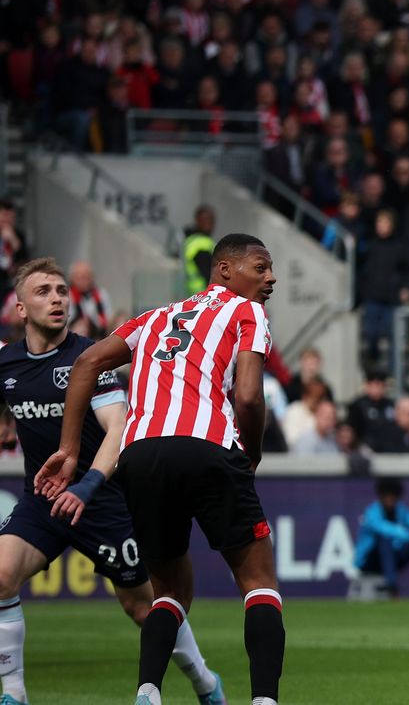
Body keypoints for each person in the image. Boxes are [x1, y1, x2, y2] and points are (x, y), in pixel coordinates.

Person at [37, 234, 284, 705]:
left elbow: (86, 362)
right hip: (210, 446)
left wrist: (70, 448)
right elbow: (249, 396)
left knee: (168, 589)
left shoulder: (153, 317)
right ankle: (264, 700)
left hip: (142, 455)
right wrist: (250, 454)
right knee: (257, 582)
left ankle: (148, 692)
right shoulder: (246, 312)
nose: (270, 277)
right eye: (261, 266)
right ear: (225, 271)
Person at [0, 259, 226, 705]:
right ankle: (14, 694)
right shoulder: (6, 364)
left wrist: (88, 486)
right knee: (1, 574)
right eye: (43, 291)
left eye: (62, 290)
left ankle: (205, 682)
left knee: (142, 607)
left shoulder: (91, 359)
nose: (58, 298)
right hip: (42, 501)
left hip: (101, 503)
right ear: (20, 308)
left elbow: (118, 428)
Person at [352, 478, 409, 598]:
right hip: (369, 561)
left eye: (393, 498)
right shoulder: (371, 513)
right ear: (381, 497)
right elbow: (385, 529)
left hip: (392, 559)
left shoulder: (401, 510)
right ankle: (392, 589)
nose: (390, 501)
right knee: (385, 539)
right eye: (387, 497)